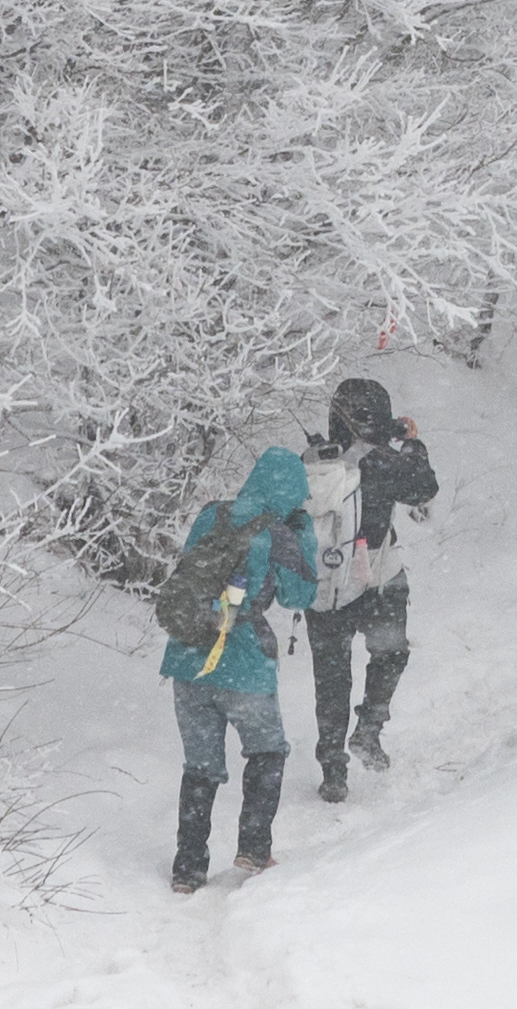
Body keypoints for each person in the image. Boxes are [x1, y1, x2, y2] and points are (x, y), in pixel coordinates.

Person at [161, 439, 319, 894]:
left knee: (201, 765)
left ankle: (187, 868)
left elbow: (188, 575)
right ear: (292, 492)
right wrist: (303, 535)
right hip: (243, 660)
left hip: (188, 655)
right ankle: (253, 848)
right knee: (267, 750)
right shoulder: (281, 532)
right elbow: (298, 597)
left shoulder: (213, 513)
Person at [303, 376, 440, 801]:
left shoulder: (313, 462)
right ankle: (368, 729)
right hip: (375, 580)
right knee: (390, 652)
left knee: (331, 681)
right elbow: (424, 487)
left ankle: (332, 769)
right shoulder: (383, 462)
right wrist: (413, 445)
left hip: (324, 587)